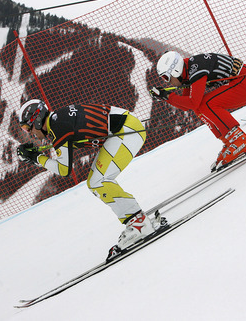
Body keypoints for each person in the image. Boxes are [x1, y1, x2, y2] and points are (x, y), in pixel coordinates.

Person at [16, 99, 161, 257]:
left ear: (36, 119)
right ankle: (137, 219)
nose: (28, 133)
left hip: (126, 132)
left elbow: (63, 169)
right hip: (126, 128)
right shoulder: (57, 121)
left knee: (98, 181)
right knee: (95, 182)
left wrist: (36, 158)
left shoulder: (58, 127)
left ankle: (138, 222)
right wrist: (37, 155)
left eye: (26, 127)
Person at [150, 51, 246, 171]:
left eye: (166, 77)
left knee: (206, 104)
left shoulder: (195, 69)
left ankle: (240, 140)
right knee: (200, 107)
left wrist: (168, 96)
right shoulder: (187, 71)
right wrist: (165, 96)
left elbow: (193, 102)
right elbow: (188, 106)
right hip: (244, 84)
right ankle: (230, 140)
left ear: (175, 70)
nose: (167, 82)